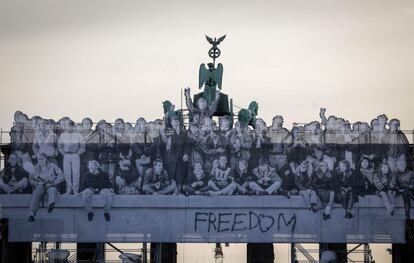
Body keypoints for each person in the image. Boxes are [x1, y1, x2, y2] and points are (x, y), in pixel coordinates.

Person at [27, 154, 65, 222]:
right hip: (40, 185)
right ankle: (31, 214)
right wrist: (37, 183)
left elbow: (61, 176)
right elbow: (30, 180)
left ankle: (51, 205)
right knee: (37, 192)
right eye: (39, 159)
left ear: (46, 159)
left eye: (42, 159)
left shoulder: (52, 166)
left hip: (50, 184)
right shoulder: (35, 168)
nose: (40, 161)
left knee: (53, 190)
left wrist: (54, 182)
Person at [58, 120, 85, 195]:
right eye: (67, 125)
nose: (68, 127)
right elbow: (60, 146)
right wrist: (64, 153)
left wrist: (77, 153)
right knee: (67, 173)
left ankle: (75, 190)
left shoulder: (78, 135)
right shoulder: (62, 135)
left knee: (76, 173)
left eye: (70, 125)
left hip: (75, 155)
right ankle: (68, 190)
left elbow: (83, 147)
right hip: (66, 155)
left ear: (73, 126)